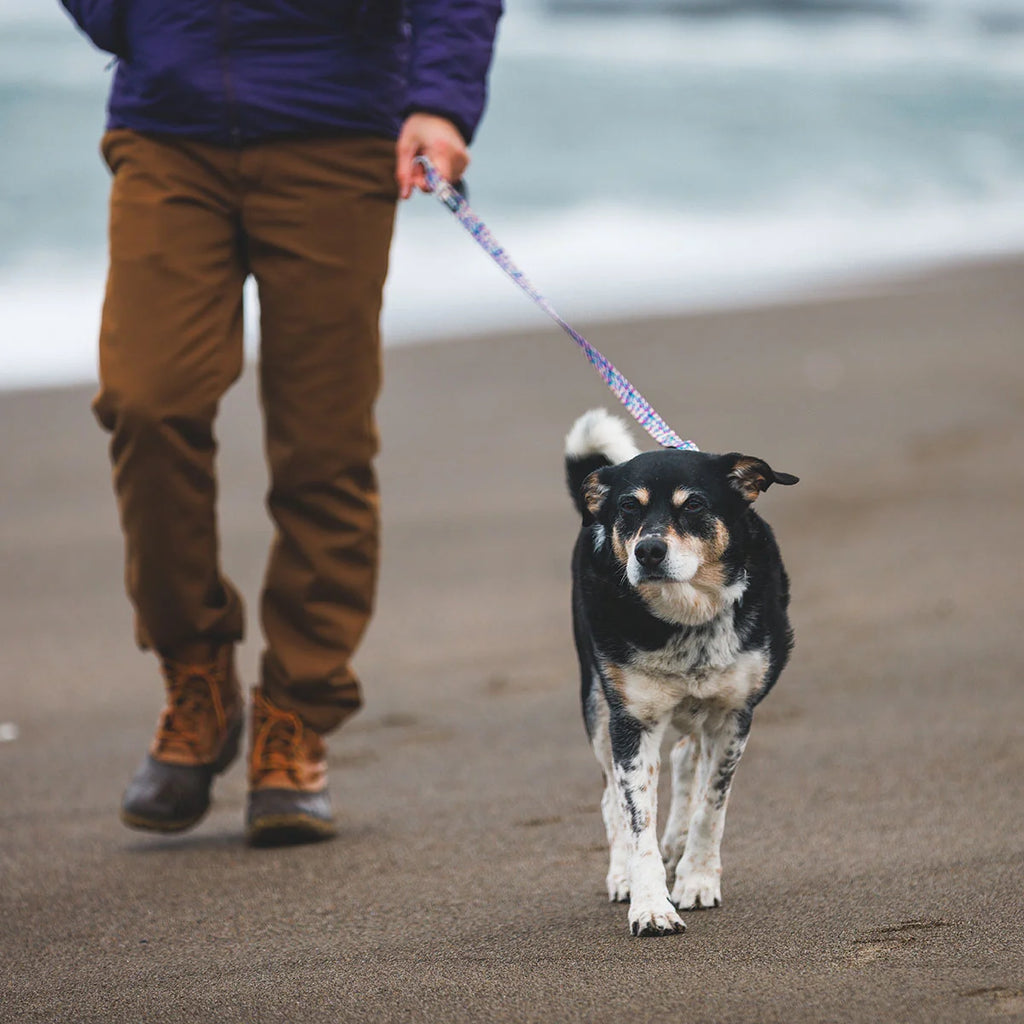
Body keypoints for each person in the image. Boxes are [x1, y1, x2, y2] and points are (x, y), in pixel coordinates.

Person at [60, 0, 503, 845]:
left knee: (323, 444)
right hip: (168, 130)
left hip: (336, 132)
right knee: (147, 403)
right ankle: (195, 677)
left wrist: (440, 102)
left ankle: (296, 711)